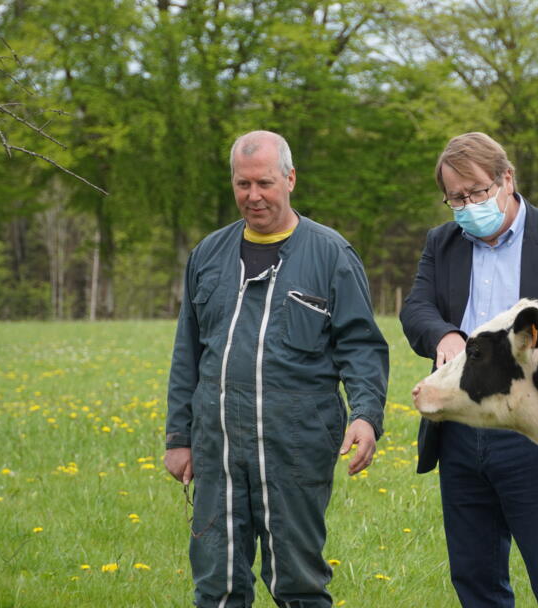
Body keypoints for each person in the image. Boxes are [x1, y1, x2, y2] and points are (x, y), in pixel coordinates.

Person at [164, 130, 389, 608]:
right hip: (217, 445)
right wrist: (178, 439)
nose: (253, 196)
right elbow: (187, 354)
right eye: (243, 185)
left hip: (296, 444)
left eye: (264, 183)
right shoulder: (207, 256)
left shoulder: (331, 256)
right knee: (216, 580)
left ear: (289, 179)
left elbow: (362, 348)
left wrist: (366, 416)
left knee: (297, 581)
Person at [400, 132, 538, 607]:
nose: (469, 204)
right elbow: (416, 308)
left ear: (506, 179)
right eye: (457, 197)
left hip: (532, 429)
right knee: (474, 578)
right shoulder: (443, 243)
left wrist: (534, 345)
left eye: (477, 191)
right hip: (459, 427)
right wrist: (444, 335)